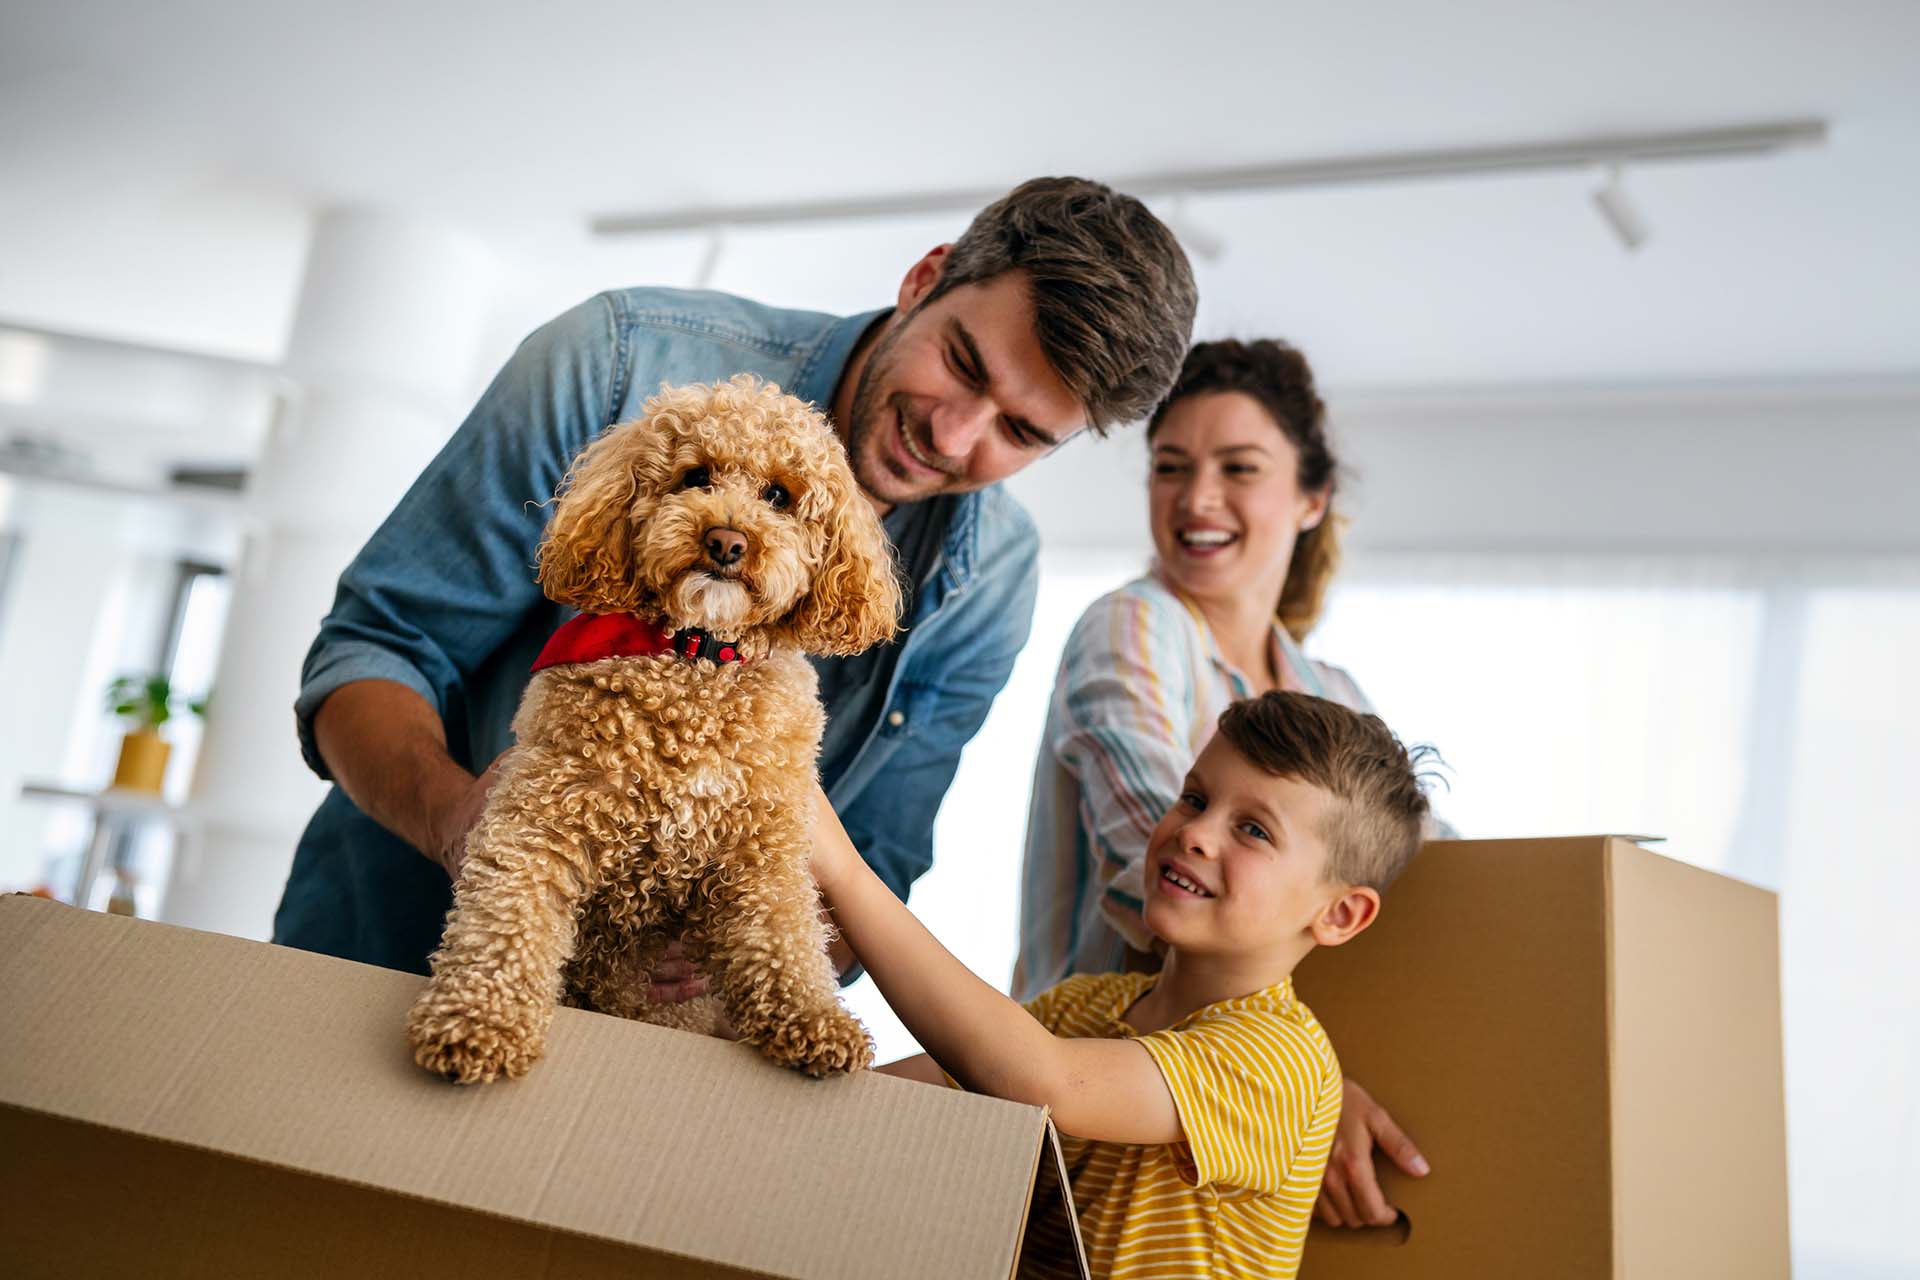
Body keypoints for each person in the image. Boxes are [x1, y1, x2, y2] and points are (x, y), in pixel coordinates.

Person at [272, 177, 1197, 981]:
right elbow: (378, 648)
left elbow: (877, 855)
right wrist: (458, 823)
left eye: (1022, 434)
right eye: (961, 363)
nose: (953, 438)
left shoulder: (994, 576)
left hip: (651, 1066)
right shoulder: (615, 363)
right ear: (926, 277)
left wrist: (746, 955)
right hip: (383, 956)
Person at [1011, 338, 1433, 1229]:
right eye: (1171, 467)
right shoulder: (1133, 626)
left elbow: (1434, 876)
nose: (1197, 499)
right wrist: (1311, 1081)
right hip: (1085, 1087)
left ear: (1311, 498)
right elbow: (1152, 863)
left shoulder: (1333, 696)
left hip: (1218, 1124)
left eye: (1238, 468)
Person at [809, 690, 1433, 1280]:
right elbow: (883, 1099)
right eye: (1195, 798)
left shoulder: (1282, 1059)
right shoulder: (1085, 1005)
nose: (1196, 832)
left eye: (1254, 830)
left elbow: (1045, 1082)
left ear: (1339, 915)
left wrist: (843, 871)